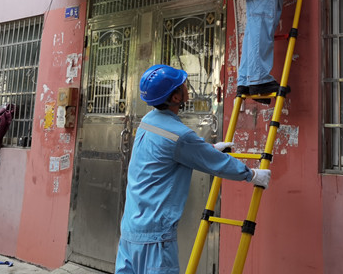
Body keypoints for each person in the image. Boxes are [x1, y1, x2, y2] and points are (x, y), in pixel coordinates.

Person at [115, 64, 271, 274]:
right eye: (182, 85)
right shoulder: (178, 135)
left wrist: (209, 148)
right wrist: (252, 175)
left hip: (130, 231)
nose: (187, 87)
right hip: (155, 240)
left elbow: (168, 153)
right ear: (176, 97)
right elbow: (216, 162)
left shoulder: (147, 121)